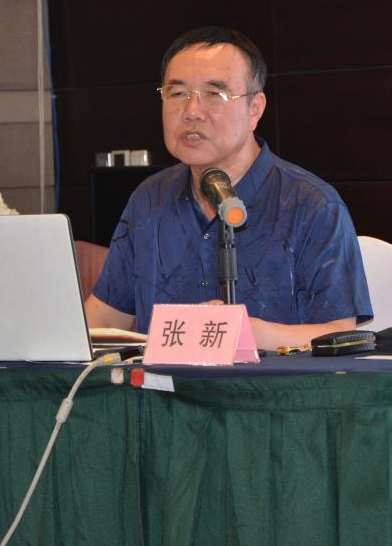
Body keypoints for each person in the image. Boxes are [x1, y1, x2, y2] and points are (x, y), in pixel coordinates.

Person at [85, 26, 372, 349]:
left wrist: (248, 333)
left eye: (214, 94)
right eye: (177, 93)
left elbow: (339, 336)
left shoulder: (312, 205)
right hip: (164, 382)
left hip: (275, 381)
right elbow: (104, 321)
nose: (192, 112)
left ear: (255, 109)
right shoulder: (150, 199)